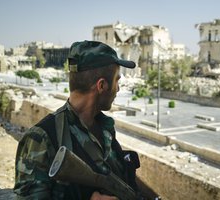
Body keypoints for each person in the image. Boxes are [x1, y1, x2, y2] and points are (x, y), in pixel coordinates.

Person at [14, 41, 141, 200]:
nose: (119, 88)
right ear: (101, 85)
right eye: (117, 80)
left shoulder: (105, 129)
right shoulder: (42, 138)